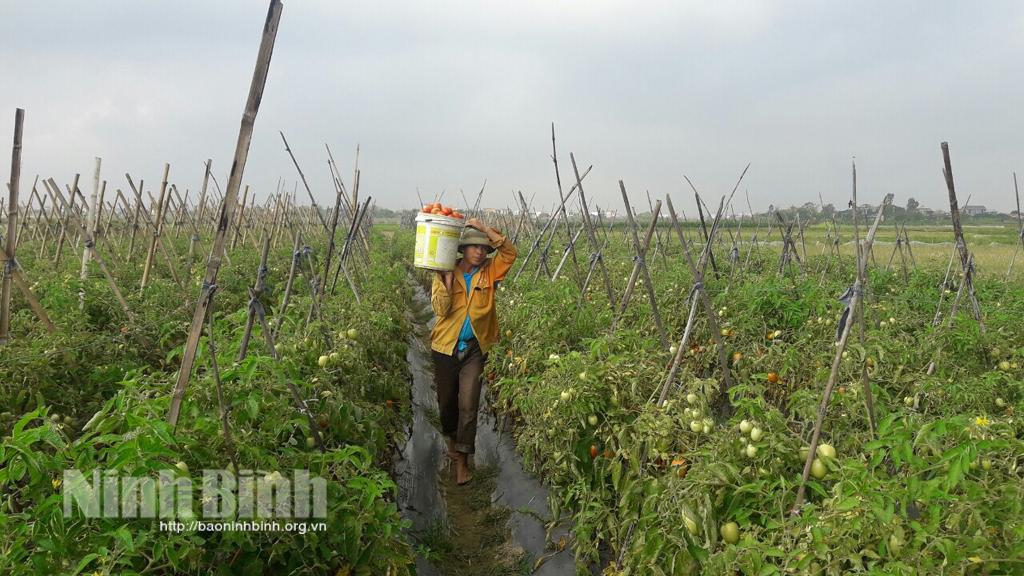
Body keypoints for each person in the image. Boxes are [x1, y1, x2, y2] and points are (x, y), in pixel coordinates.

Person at [430, 217, 517, 485]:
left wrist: (485, 229)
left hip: (475, 350)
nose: (480, 251)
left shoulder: (490, 271)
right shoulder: (444, 271)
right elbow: (441, 311)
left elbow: (510, 253)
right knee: (447, 404)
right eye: (474, 247)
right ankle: (453, 445)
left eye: (483, 247)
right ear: (463, 249)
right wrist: (445, 281)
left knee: (468, 404)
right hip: (445, 347)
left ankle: (463, 462)